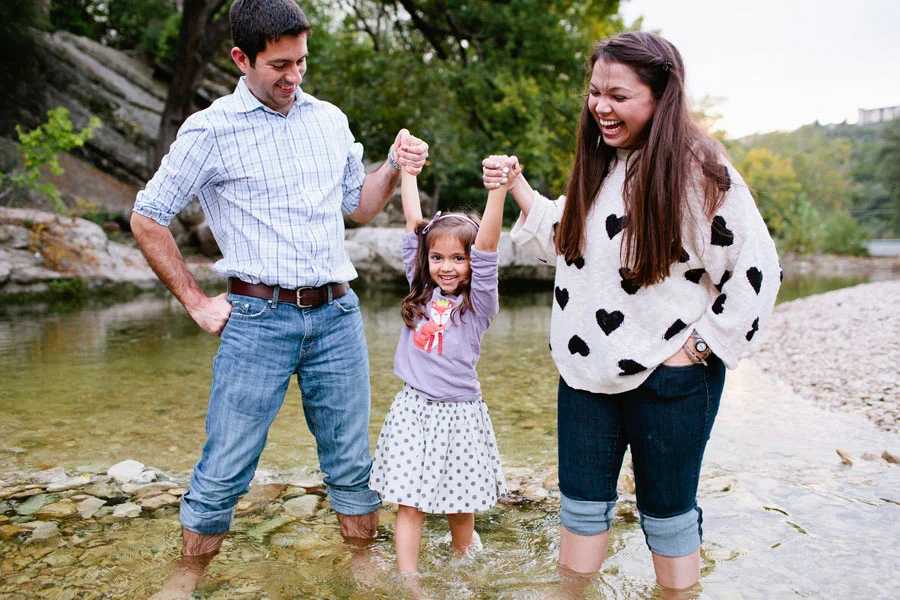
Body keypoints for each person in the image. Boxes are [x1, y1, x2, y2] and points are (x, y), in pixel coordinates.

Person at [131, 0, 428, 597]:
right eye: (280, 65)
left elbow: (359, 206)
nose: (294, 76)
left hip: (338, 314)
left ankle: (360, 565)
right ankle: (188, 575)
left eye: (302, 62)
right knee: (227, 463)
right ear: (242, 59)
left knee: (349, 461)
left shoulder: (329, 120)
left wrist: (393, 168)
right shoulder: (210, 130)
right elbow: (147, 216)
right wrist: (194, 300)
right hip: (256, 319)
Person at [482, 31, 781, 591]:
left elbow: (757, 272)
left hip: (671, 378)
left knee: (668, 521)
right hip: (585, 372)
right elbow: (573, 243)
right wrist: (517, 186)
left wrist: (697, 350)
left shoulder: (700, 168)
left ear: (661, 95)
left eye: (618, 95)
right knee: (580, 513)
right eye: (595, 92)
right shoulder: (604, 163)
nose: (600, 106)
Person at [368, 163, 509, 576]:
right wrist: (408, 171)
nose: (446, 266)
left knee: (459, 505)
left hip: (460, 415)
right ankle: (409, 581)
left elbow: (488, 245)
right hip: (413, 409)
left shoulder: (479, 304)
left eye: (458, 259)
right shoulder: (420, 292)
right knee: (408, 503)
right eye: (437, 257)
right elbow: (415, 223)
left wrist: (497, 190)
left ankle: (465, 569)